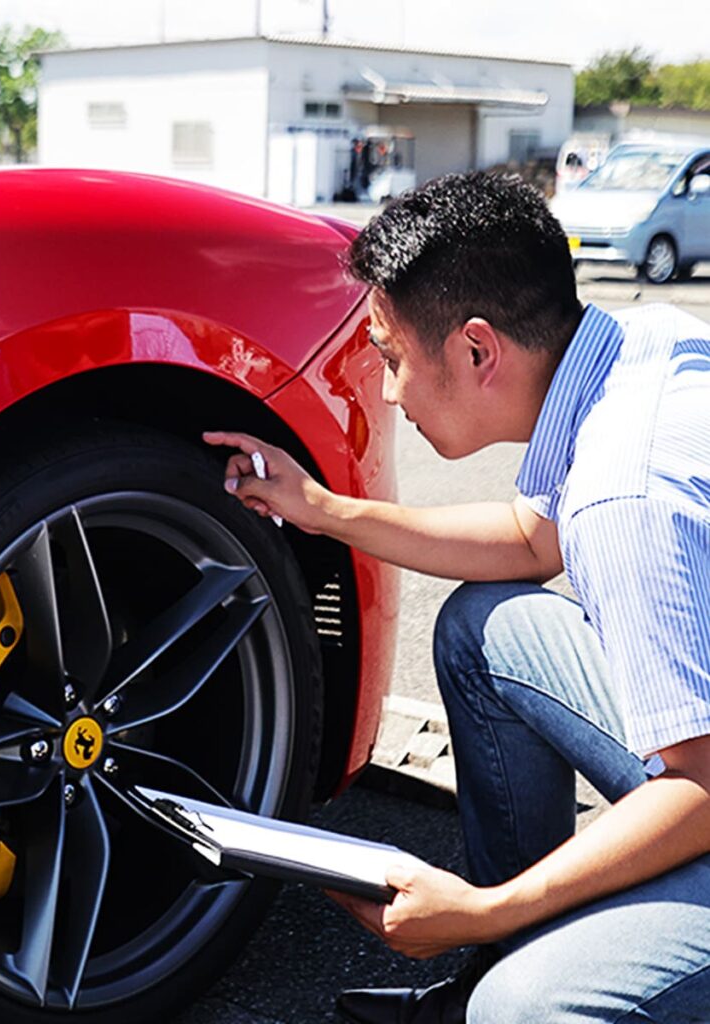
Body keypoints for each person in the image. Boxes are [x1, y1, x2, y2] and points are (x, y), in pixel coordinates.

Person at [203, 170, 710, 1024]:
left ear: (477, 350)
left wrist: (490, 908)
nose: (391, 392)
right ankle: (514, 945)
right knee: (482, 628)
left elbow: (701, 786)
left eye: (393, 358)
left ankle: (520, 961)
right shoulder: (639, 345)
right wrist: (323, 512)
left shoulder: (625, 503)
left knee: (520, 1010)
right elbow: (526, 540)